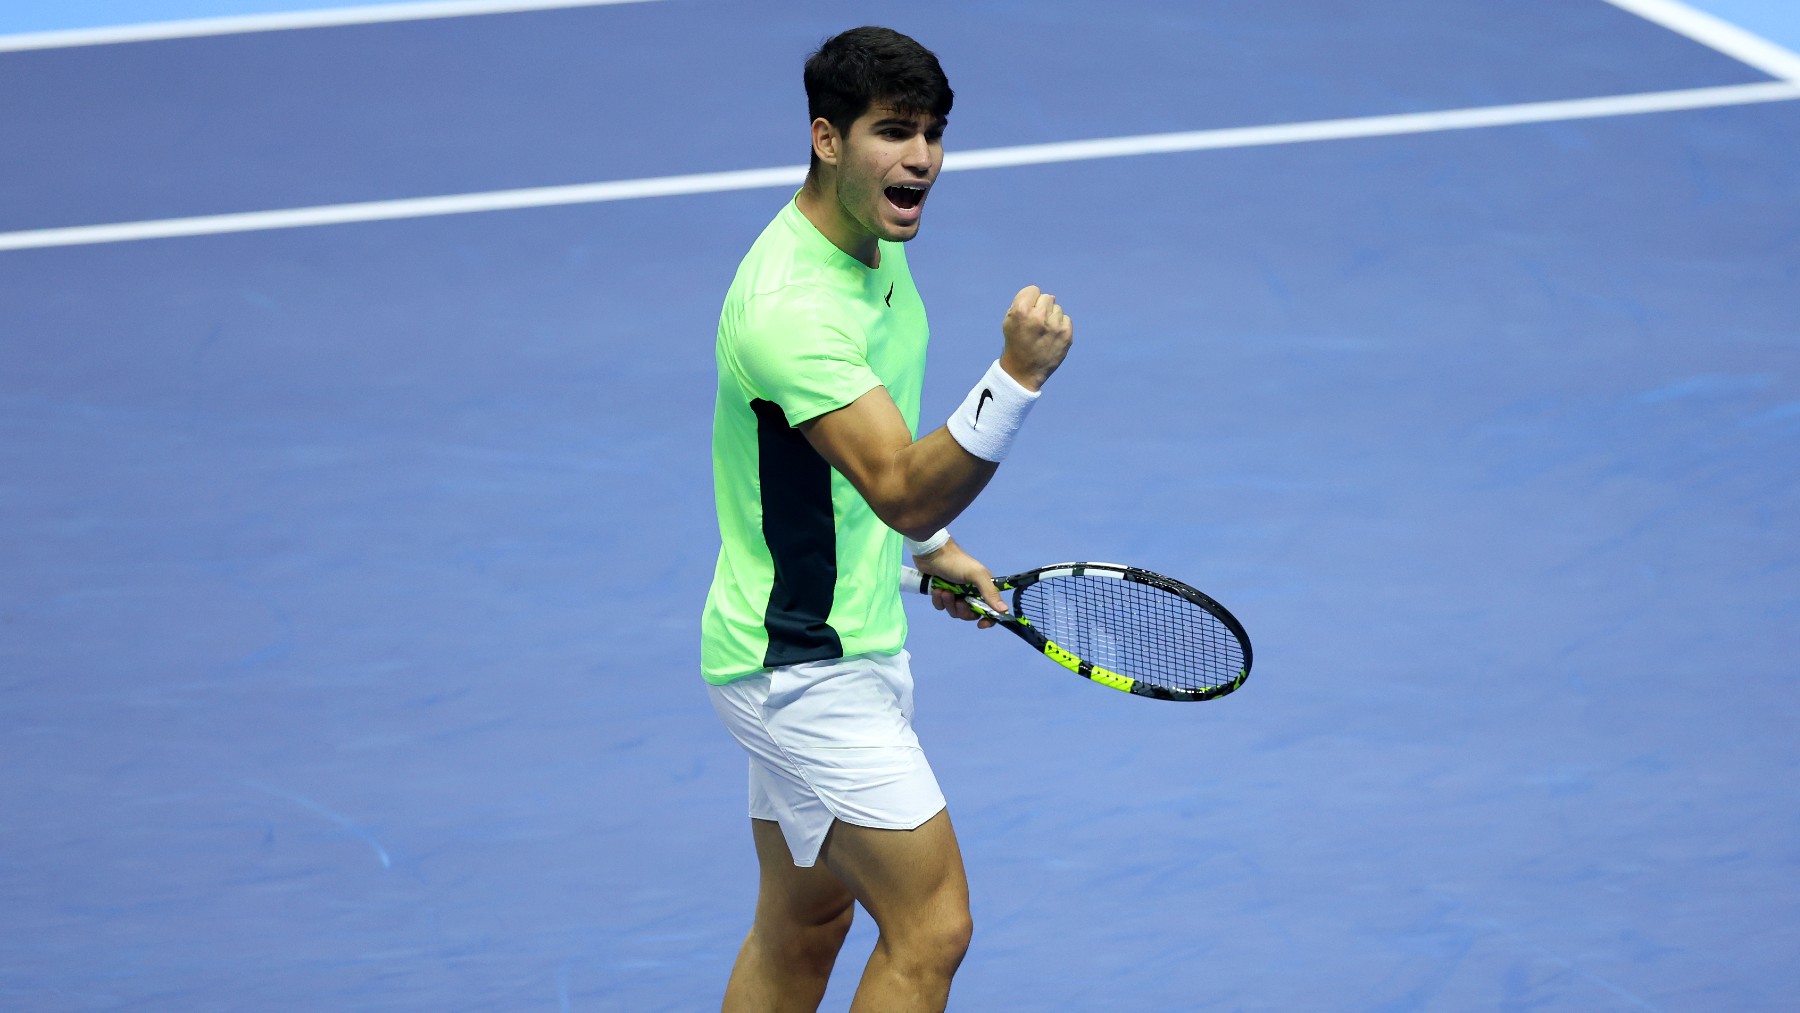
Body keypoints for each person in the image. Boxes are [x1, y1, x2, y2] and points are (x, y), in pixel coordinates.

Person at [701, 25, 1073, 1012]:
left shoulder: (867, 241)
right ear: (827, 139)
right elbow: (902, 481)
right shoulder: (793, 311)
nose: (921, 159)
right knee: (933, 923)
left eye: (934, 134)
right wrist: (1016, 379)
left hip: (813, 642)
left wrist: (928, 551)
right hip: (805, 667)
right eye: (893, 132)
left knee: (804, 922)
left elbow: (877, 478)